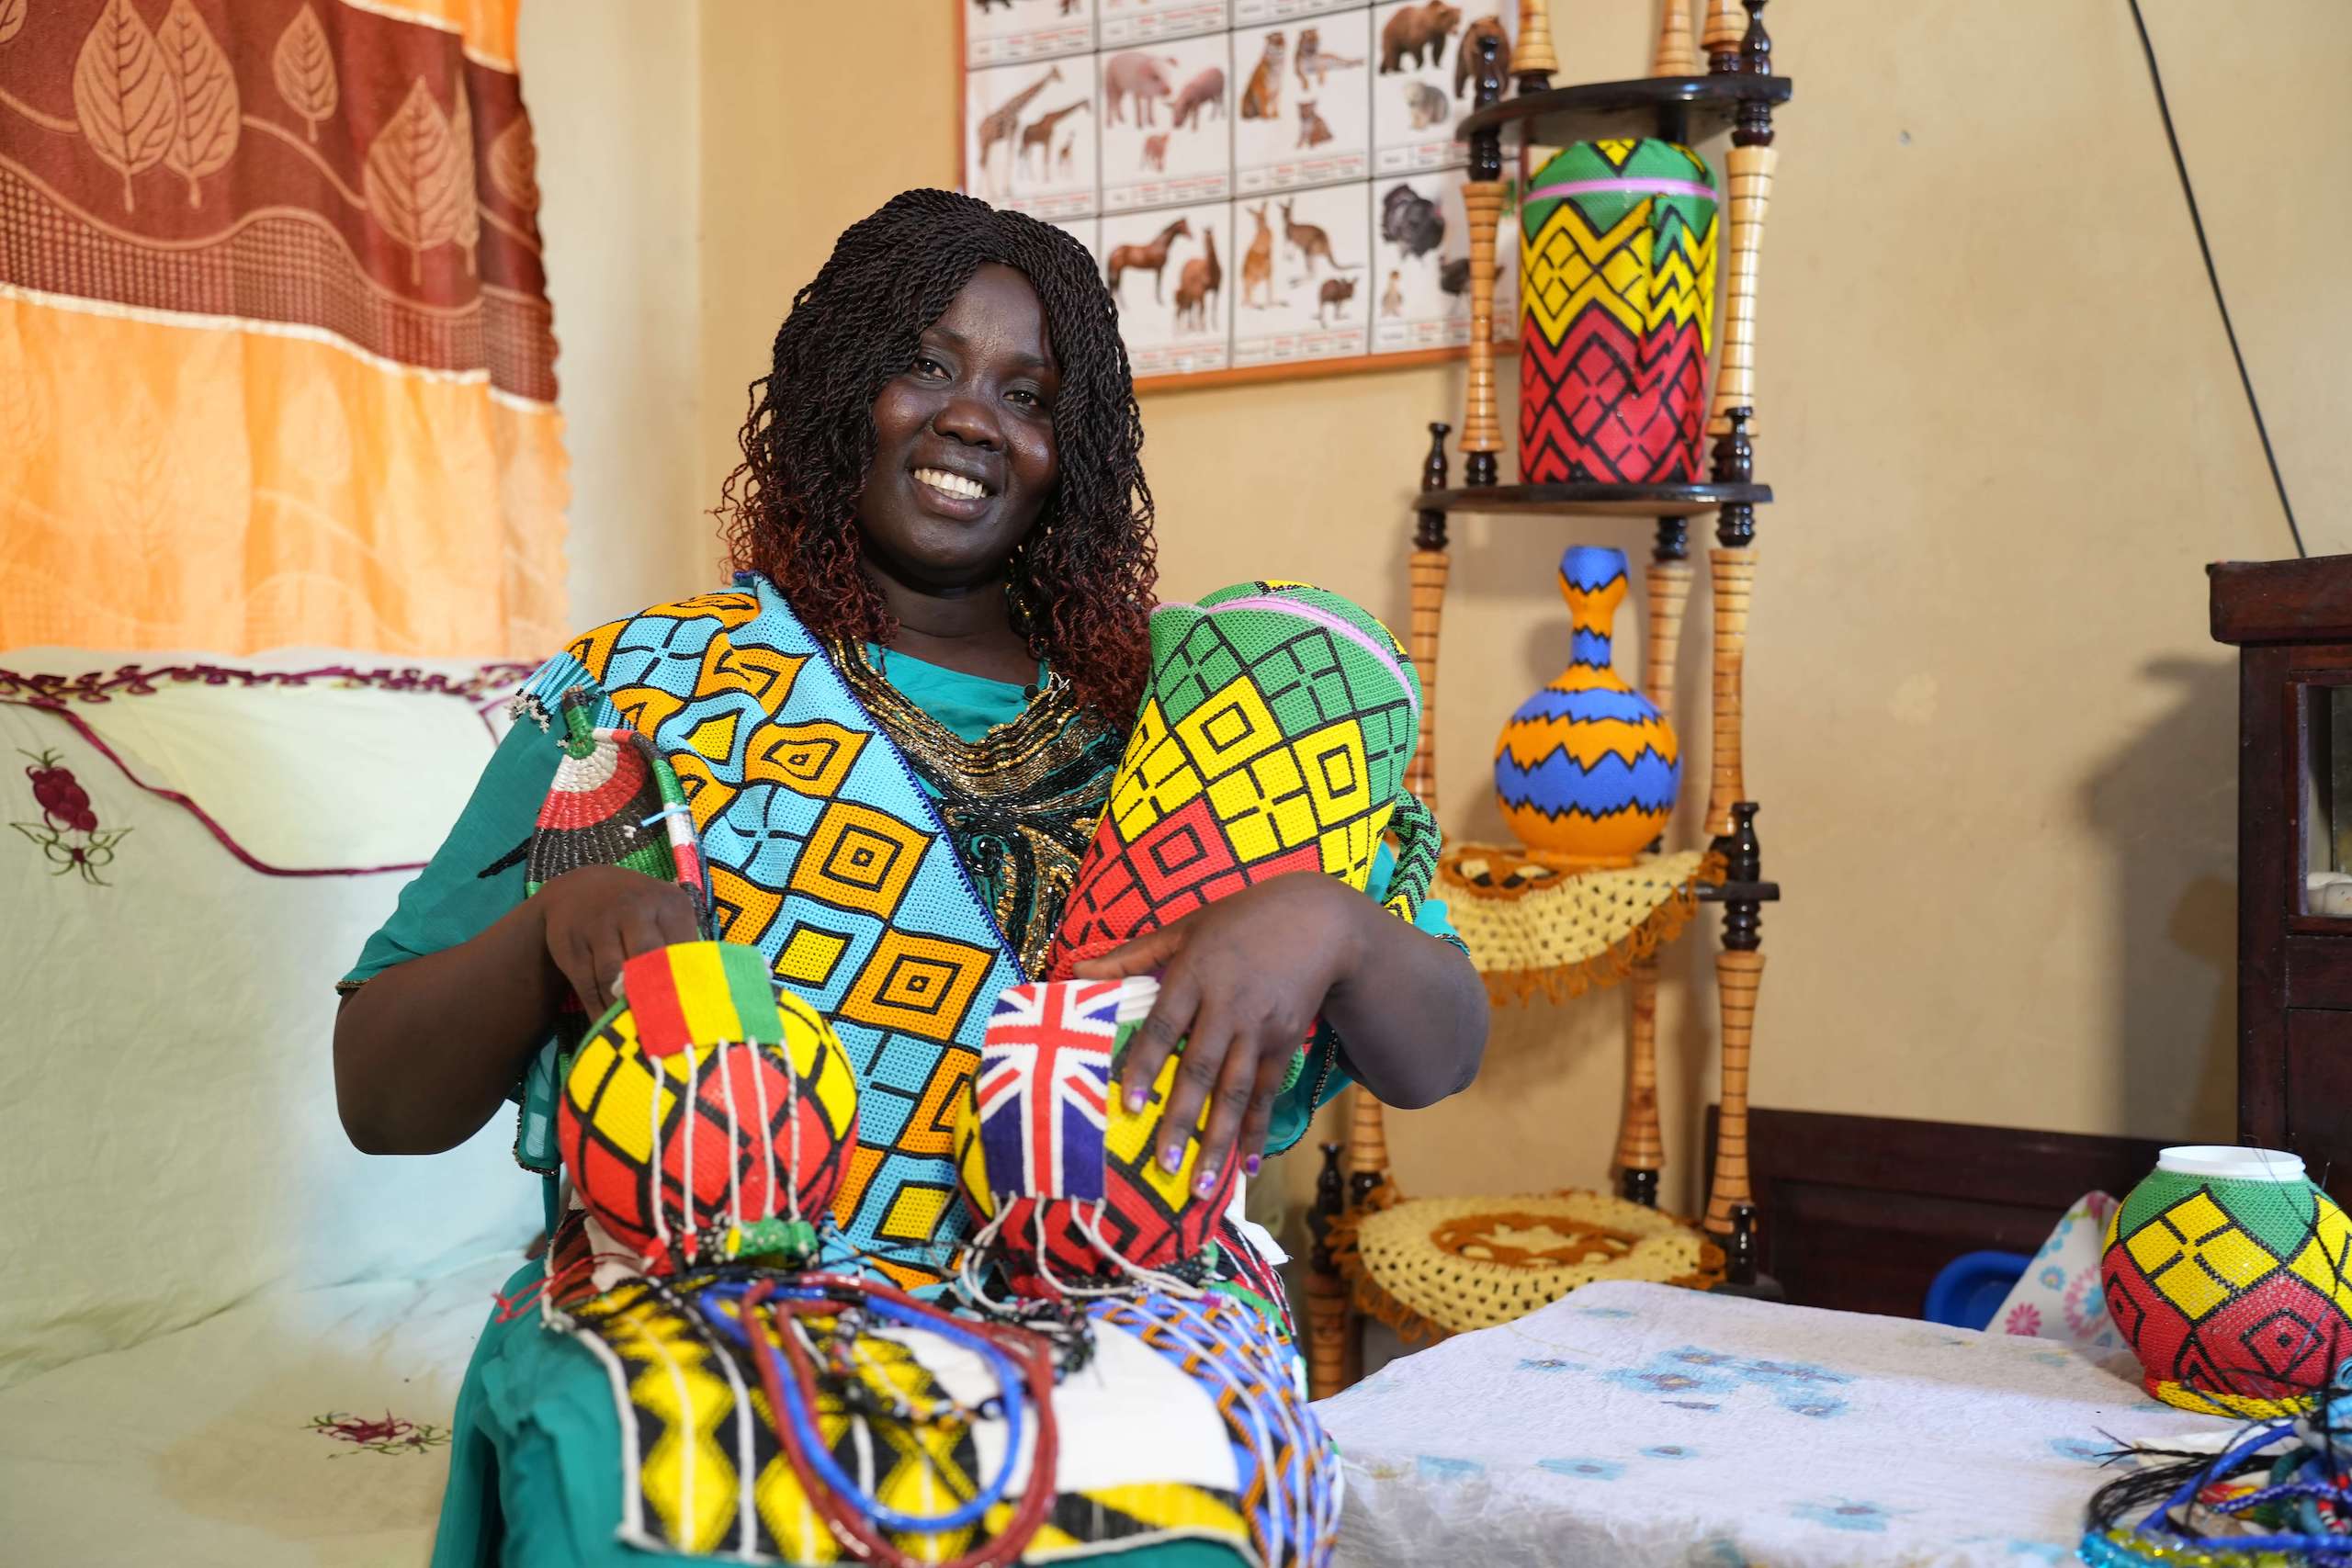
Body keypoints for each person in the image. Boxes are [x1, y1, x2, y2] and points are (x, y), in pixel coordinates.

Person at [334, 189, 1487, 1568]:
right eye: (924, 363)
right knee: (636, 1460)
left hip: (1111, 1296)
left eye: (1027, 391)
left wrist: (1334, 926)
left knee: (1197, 1469)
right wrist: (553, 927)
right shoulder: (645, 690)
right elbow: (380, 1095)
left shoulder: (1196, 725)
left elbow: (1439, 1053)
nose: (970, 417)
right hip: (718, 1284)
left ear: (1074, 450)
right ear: (841, 388)